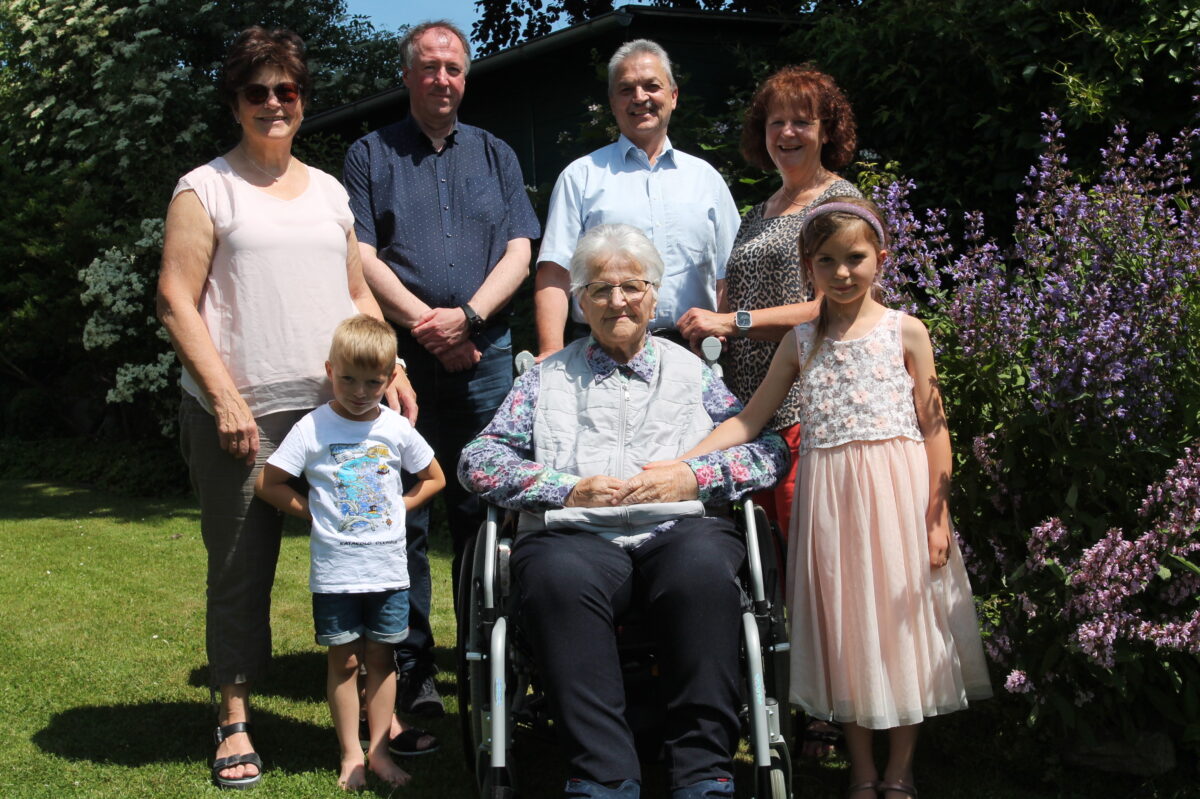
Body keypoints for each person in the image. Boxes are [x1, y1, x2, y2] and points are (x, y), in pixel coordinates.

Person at [647, 198, 992, 799]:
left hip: (899, 499)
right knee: (847, 630)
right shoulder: (801, 342)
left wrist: (938, 515)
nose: (841, 272)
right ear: (808, 268)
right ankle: (861, 771)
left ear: (880, 260)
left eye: (854, 258)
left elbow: (935, 428)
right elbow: (750, 421)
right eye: (826, 261)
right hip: (831, 503)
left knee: (901, 625)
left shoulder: (905, 331)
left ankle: (900, 770)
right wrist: (685, 459)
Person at [156, 27, 417, 790]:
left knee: (362, 556)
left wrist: (392, 362)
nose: (274, 103)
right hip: (240, 417)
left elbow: (357, 293)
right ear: (235, 102)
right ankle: (234, 718)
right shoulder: (205, 188)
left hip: (338, 414)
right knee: (241, 568)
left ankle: (376, 718)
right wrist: (225, 396)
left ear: (303, 99)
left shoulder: (331, 191)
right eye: (257, 91)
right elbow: (177, 299)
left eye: (287, 90)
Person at [459, 224, 788, 799]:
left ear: (654, 294)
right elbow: (477, 460)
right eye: (599, 289)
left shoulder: (695, 375)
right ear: (580, 302)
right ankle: (605, 776)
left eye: (631, 286)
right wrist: (563, 487)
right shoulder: (543, 378)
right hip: (574, 535)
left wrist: (693, 476)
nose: (617, 301)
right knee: (559, 580)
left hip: (680, 528)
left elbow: (768, 451)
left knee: (704, 577)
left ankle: (704, 772)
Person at [343, 19, 541, 716]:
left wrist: (471, 320)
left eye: (453, 68)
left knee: (490, 516)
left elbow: (520, 248)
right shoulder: (369, 154)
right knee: (405, 521)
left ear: (465, 76)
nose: (442, 79)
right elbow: (362, 256)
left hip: (486, 364)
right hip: (402, 369)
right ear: (408, 75)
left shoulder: (495, 154)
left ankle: (493, 669)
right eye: (429, 67)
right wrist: (428, 328)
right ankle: (414, 676)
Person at [255, 315, 445, 790]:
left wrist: (400, 508)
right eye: (348, 379)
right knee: (344, 663)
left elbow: (435, 478)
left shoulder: (396, 428)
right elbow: (268, 483)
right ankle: (350, 756)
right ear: (329, 370)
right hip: (337, 573)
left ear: (389, 379)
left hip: (386, 571)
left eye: (373, 382)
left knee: (382, 661)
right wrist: (314, 515)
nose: (360, 392)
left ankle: (380, 752)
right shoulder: (312, 428)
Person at [676, 64, 861, 546]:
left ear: (827, 131)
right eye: (776, 122)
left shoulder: (838, 203)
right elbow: (736, 294)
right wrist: (712, 329)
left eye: (802, 121)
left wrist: (732, 323)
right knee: (765, 564)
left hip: (810, 412)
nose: (787, 132)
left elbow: (830, 308)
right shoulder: (759, 211)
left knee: (812, 557)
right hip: (752, 417)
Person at [533, 39, 739, 357]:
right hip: (601, 351)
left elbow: (728, 271)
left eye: (651, 86)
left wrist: (724, 329)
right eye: (627, 89)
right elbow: (556, 272)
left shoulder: (706, 179)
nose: (640, 98)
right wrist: (550, 351)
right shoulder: (581, 177)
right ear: (613, 101)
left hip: (693, 353)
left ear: (673, 96)